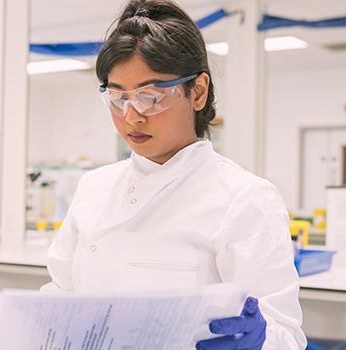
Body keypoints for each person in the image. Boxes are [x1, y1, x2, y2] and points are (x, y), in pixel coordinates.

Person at [41, 0, 307, 349]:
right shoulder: (94, 187)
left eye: (150, 96)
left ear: (197, 91)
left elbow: (286, 334)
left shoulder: (244, 197)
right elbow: (61, 292)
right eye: (118, 97)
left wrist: (259, 341)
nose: (132, 116)